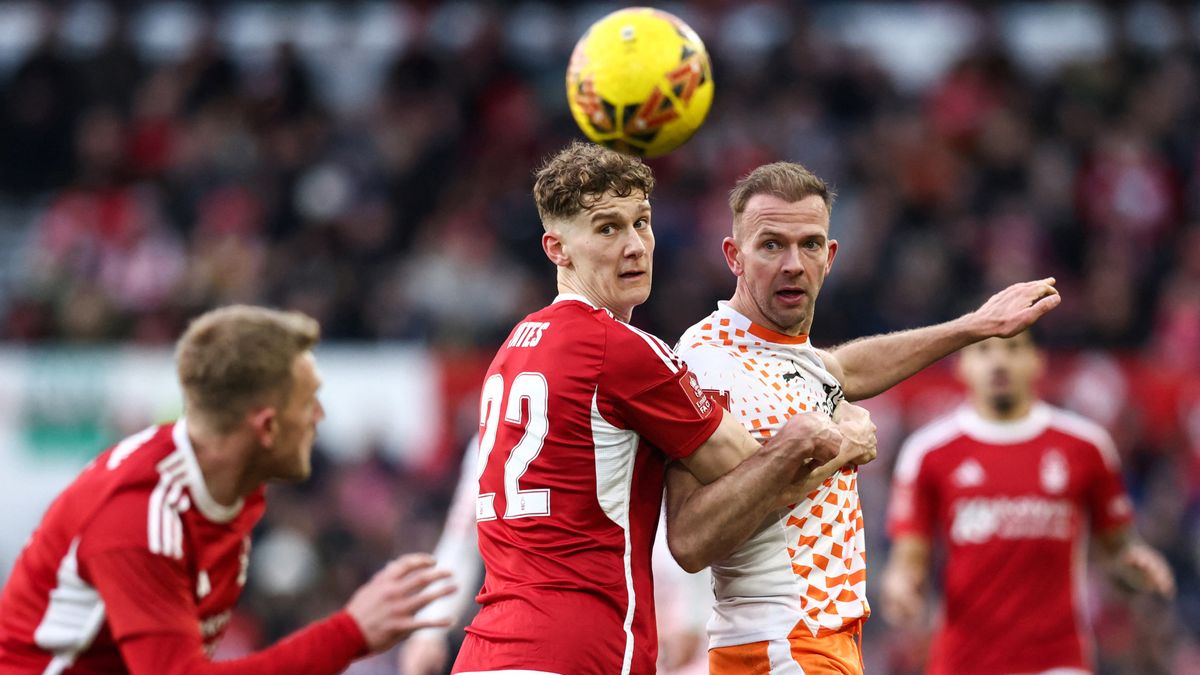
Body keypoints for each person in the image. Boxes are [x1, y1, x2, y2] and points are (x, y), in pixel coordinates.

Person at [450, 142, 864, 675]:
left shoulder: (512, 349)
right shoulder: (623, 349)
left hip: (486, 651)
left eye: (641, 223)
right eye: (607, 229)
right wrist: (839, 437)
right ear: (557, 249)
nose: (635, 246)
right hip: (578, 649)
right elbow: (755, 473)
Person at [669, 162, 1062, 674]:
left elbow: (844, 368)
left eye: (809, 244)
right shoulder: (708, 361)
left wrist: (974, 326)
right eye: (771, 245)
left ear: (830, 257)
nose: (793, 264)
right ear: (733, 256)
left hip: (819, 645)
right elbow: (690, 539)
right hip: (779, 645)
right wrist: (839, 449)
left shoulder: (788, 354)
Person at [0, 305, 455, 674]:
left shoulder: (232, 487)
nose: (320, 417)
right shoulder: (139, 514)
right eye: (309, 400)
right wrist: (348, 633)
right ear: (267, 426)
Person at [881, 331, 1175, 675]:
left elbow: (1117, 548)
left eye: (1013, 348)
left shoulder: (1085, 446)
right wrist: (901, 588)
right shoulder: (929, 452)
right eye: (984, 350)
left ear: (1038, 361)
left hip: (1057, 659)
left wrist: (1133, 566)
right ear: (961, 365)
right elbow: (908, 560)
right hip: (964, 660)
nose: (999, 361)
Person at [401, 436, 713, 675]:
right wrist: (430, 627)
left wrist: (691, 616)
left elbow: (681, 523)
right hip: (550, 628)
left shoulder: (621, 400)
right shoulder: (497, 430)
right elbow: (464, 535)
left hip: (644, 622)